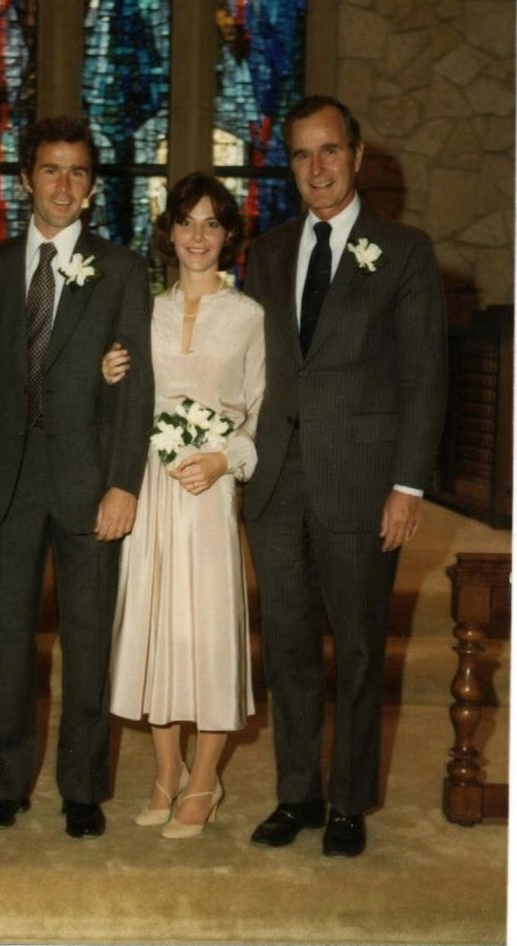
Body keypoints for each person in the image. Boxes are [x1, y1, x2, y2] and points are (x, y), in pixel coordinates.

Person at [243, 95, 447, 857]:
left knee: (358, 648)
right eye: (301, 155)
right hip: (276, 483)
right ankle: (297, 792)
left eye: (330, 151)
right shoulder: (266, 251)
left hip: (362, 483)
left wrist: (409, 485)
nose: (317, 168)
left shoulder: (404, 251)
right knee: (288, 644)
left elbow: (427, 378)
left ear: (358, 157)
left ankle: (348, 802)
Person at [0, 116, 154, 839]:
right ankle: (3, 784)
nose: (64, 184)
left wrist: (124, 483)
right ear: (25, 180)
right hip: (7, 481)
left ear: (92, 186)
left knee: (86, 639)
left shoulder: (124, 270)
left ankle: (82, 786)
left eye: (78, 172)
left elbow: (135, 388)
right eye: (51, 169)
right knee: (8, 641)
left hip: (88, 481)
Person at [104, 173, 265, 839]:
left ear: (228, 236)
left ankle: (205, 779)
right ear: (168, 233)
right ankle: (166, 774)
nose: (198, 236)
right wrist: (107, 371)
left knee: (207, 632)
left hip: (210, 492)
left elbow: (261, 412)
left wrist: (228, 459)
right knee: (157, 631)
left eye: (212, 223)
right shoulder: (144, 312)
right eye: (187, 222)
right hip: (155, 486)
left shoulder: (250, 316)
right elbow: (121, 404)